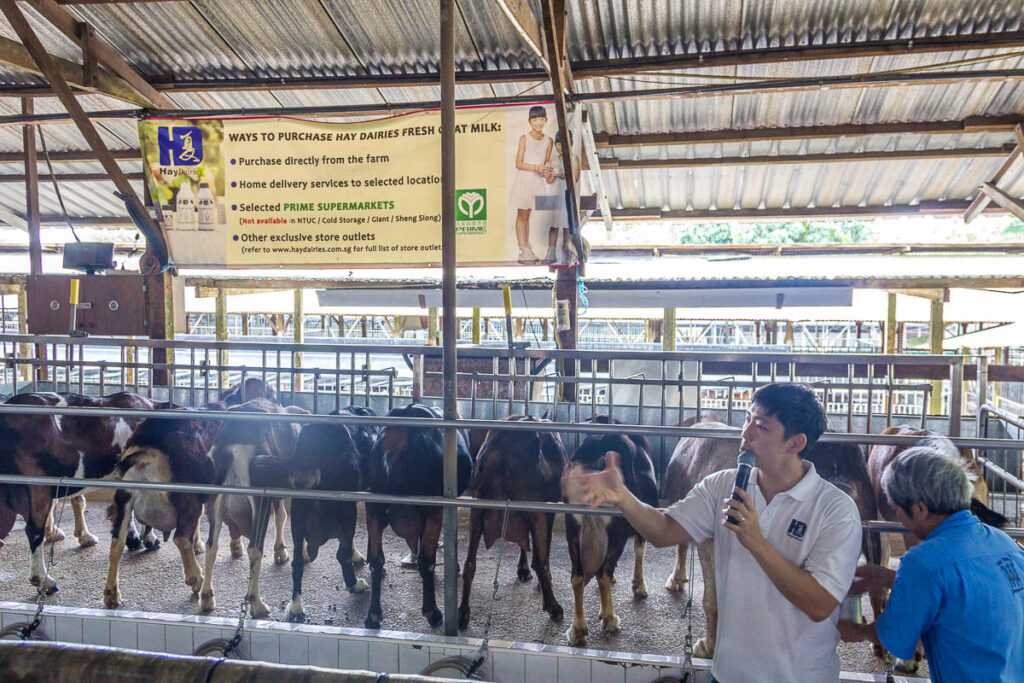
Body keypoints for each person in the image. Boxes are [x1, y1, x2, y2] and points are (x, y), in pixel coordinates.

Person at [564, 383, 862, 683]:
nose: (745, 433)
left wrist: (756, 542)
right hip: (728, 674)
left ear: (795, 443)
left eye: (760, 426)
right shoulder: (722, 485)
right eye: (747, 419)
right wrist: (622, 496)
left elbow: (819, 604)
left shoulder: (835, 510)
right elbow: (664, 531)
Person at [838, 439, 1024, 682]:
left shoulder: (922, 562)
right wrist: (893, 579)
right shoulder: (1004, 543)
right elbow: (964, 589)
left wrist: (855, 630)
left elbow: (892, 637)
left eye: (897, 510)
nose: (900, 521)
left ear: (920, 509)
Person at [508, 105, 553, 264]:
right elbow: (518, 163)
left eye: (541, 119)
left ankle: (527, 249)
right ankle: (523, 250)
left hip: (537, 182)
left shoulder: (549, 141)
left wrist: (545, 171)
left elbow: (546, 163)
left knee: (528, 215)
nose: (538, 123)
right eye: (535, 119)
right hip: (524, 180)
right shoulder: (524, 138)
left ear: (546, 120)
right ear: (529, 122)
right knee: (522, 214)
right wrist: (536, 168)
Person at [542, 130, 580, 265]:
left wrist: (561, 174)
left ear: (571, 143)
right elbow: (548, 181)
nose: (561, 147)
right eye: (558, 144)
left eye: (564, 144)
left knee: (566, 225)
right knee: (553, 225)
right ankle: (551, 253)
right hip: (554, 195)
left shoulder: (573, 158)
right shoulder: (553, 159)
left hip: (567, 196)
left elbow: (575, 178)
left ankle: (567, 253)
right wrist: (550, 174)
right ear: (555, 145)